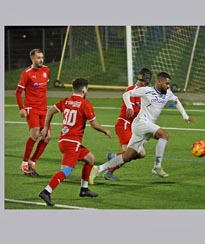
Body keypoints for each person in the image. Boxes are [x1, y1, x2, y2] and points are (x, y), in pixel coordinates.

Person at [90, 72, 195, 183]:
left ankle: (98, 169)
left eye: (169, 84)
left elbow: (176, 100)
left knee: (128, 156)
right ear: (159, 81)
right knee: (164, 135)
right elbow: (126, 94)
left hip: (144, 127)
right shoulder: (146, 90)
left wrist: (185, 116)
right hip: (141, 123)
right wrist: (129, 107)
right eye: (166, 83)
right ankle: (157, 166)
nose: (168, 86)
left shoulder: (168, 93)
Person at [38, 78, 111, 206]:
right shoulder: (85, 104)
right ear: (84, 89)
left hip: (64, 140)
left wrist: (45, 128)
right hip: (72, 143)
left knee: (90, 159)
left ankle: (84, 189)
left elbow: (50, 111)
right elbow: (93, 124)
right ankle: (46, 191)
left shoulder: (66, 101)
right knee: (66, 170)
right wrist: (104, 130)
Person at [104, 68, 152, 181]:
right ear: (142, 81)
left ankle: (113, 160)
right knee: (129, 153)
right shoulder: (131, 90)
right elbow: (132, 111)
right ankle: (109, 171)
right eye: (146, 82)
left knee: (142, 154)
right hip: (124, 124)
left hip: (133, 128)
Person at [16, 49, 51, 176]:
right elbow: (18, 92)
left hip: (44, 108)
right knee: (35, 133)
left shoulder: (46, 70)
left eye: (42, 57)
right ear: (32, 59)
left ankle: (32, 161)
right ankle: (24, 163)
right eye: (38, 58)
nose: (41, 60)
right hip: (32, 108)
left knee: (47, 137)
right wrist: (21, 108)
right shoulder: (26, 73)